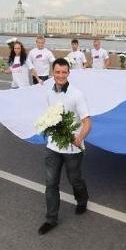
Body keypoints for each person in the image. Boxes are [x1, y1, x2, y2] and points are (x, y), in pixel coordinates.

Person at [38, 58, 91, 235]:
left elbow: (87, 122)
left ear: (69, 73)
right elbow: (50, 116)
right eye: (57, 72)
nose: (60, 76)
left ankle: (82, 200)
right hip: (52, 147)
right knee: (51, 183)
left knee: (75, 179)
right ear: (53, 73)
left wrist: (79, 138)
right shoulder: (48, 94)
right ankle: (51, 219)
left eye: (64, 72)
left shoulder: (77, 94)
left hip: (73, 149)